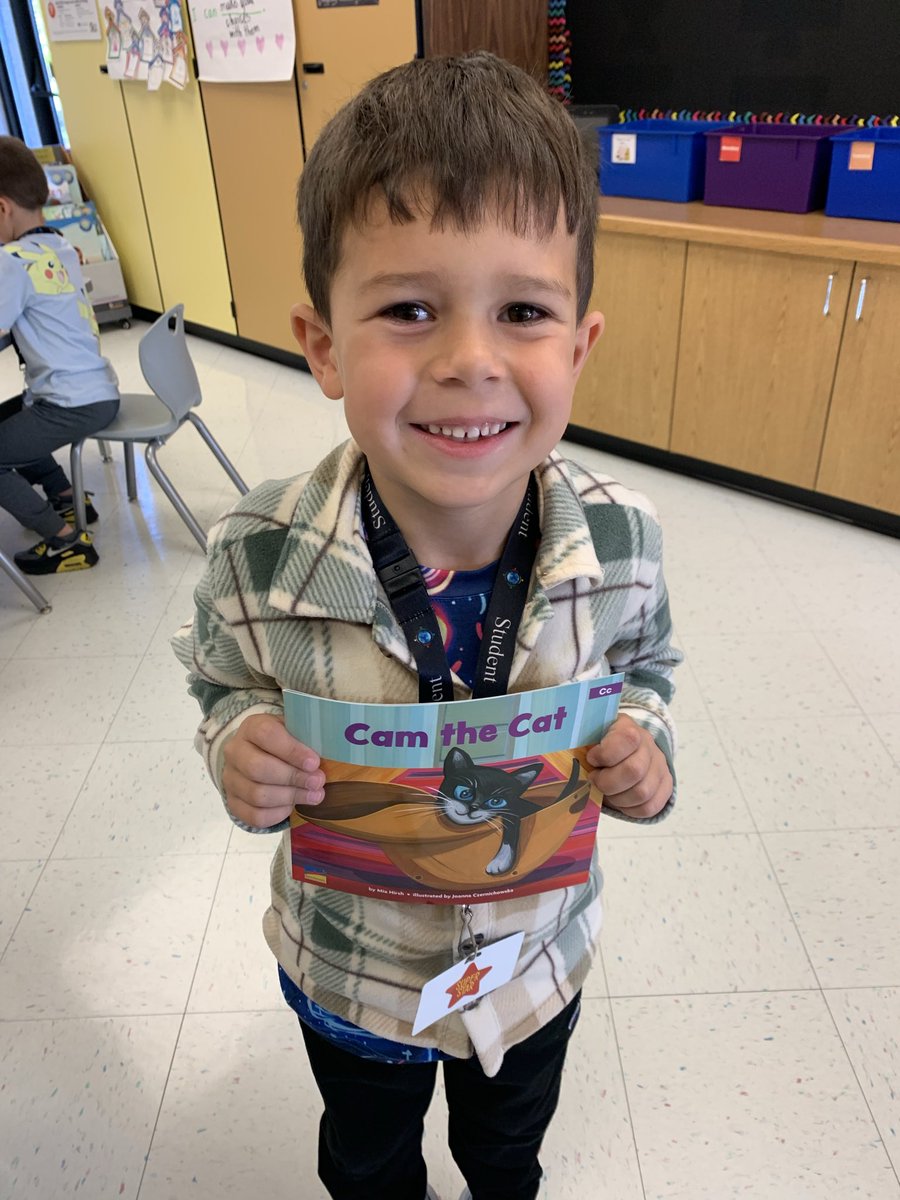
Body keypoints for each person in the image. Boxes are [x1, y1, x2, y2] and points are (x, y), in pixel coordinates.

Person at [173, 52, 681, 1200]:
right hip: (353, 972)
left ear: (579, 349)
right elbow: (220, 681)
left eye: (523, 311)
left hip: (536, 957)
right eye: (408, 309)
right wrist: (236, 741)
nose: (468, 360)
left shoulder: (625, 542)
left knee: (506, 1157)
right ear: (321, 346)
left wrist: (646, 746)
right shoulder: (257, 551)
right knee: (366, 1160)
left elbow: (648, 667)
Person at [0, 136, 119, 574]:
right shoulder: (59, 245)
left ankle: (65, 540)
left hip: (68, 404)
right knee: (9, 422)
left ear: (2, 208)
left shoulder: (10, 261)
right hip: (96, 392)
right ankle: (69, 499)